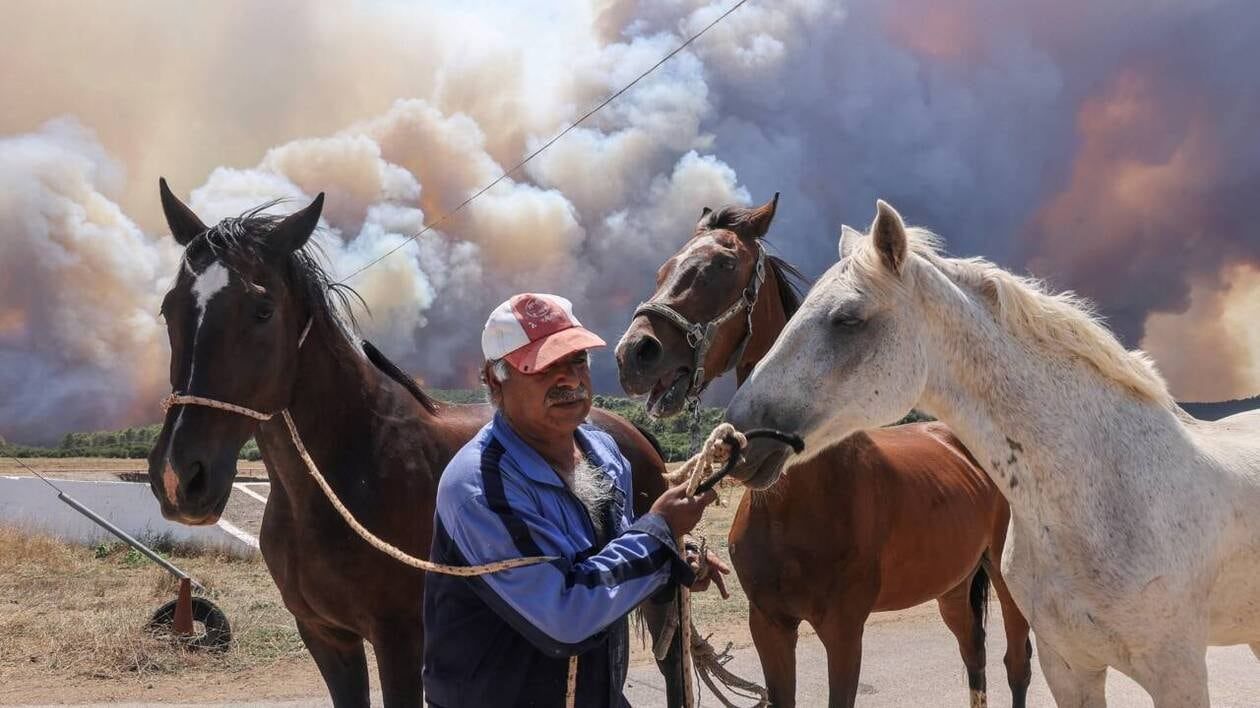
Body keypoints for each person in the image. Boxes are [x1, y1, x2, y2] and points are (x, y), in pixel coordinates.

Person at [422, 293, 728, 707]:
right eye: (545, 366)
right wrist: (659, 534)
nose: (570, 379)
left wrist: (674, 556)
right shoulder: (479, 486)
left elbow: (612, 557)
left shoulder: (602, 452)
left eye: (577, 360)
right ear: (495, 379)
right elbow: (564, 615)